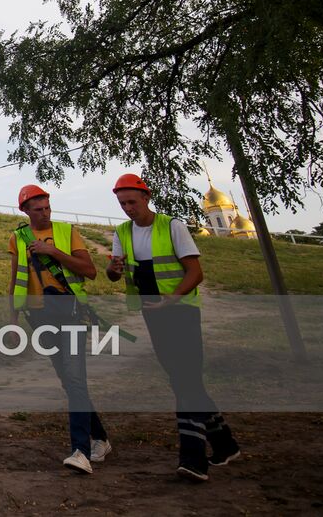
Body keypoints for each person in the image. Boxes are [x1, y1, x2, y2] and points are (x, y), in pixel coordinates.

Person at [105, 173, 241, 482]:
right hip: (153, 314)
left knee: (185, 381)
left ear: (146, 197)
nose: (128, 208)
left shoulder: (172, 226)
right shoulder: (122, 232)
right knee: (183, 380)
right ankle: (225, 444)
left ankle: (193, 460)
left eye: (132, 202)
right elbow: (114, 274)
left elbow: (196, 272)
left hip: (182, 312)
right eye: (122, 203)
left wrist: (173, 299)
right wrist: (112, 269)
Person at [8, 184, 111, 474]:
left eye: (47, 207)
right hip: (39, 317)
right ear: (25, 210)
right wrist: (13, 322)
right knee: (68, 381)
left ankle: (80, 450)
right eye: (37, 209)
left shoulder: (67, 232)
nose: (44, 213)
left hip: (70, 312)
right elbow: (15, 279)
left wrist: (52, 251)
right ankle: (100, 438)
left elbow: (89, 270)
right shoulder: (18, 238)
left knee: (76, 380)